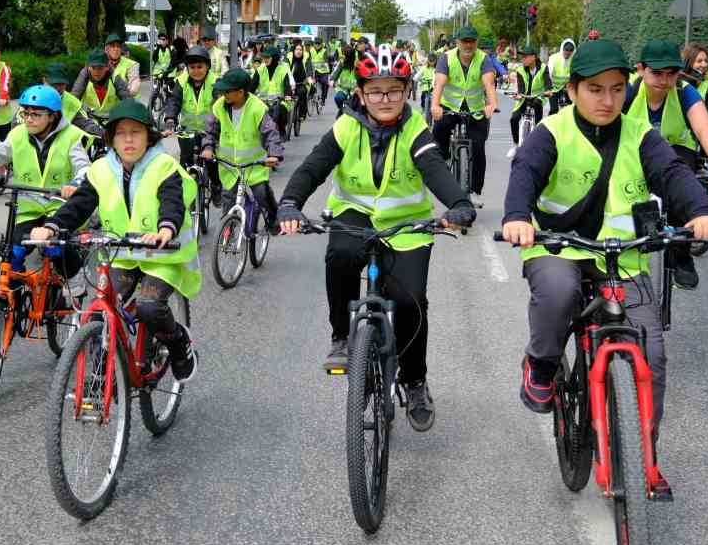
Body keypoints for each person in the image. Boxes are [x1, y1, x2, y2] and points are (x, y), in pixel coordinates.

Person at [502, 39, 708, 492]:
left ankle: (643, 457)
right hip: (557, 248)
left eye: (618, 89)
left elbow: (673, 175)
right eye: (595, 90)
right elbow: (524, 174)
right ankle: (542, 367)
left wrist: (702, 210)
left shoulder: (641, 135)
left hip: (622, 259)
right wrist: (516, 218)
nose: (608, 100)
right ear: (573, 91)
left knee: (654, 358)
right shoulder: (552, 131)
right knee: (559, 294)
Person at [278, 45, 476, 430]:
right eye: (375, 91)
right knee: (339, 256)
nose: (385, 99)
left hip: (407, 227)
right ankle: (341, 336)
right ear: (361, 93)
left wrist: (458, 203)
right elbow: (312, 168)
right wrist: (289, 203)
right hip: (355, 217)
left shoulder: (415, 128)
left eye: (394, 90)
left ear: (405, 92)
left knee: (411, 300)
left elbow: (435, 169)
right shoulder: (347, 126)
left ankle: (414, 380)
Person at [31, 100, 199, 382]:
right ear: (111, 138)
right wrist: (52, 226)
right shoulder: (101, 170)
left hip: (162, 254)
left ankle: (179, 344)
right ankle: (102, 376)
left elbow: (172, 201)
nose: (129, 139)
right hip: (121, 253)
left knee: (148, 307)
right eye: (121, 133)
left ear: (149, 136)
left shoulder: (163, 166)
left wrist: (165, 229)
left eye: (136, 132)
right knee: (99, 309)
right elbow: (80, 204)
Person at [623, 39, 708, 289]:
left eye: (671, 73)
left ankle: (681, 255)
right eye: (657, 73)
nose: (664, 80)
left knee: (680, 185)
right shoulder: (629, 91)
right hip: (635, 153)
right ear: (641, 69)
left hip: (676, 154)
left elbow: (705, 130)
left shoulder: (685, 91)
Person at [0, 84, 90, 285]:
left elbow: (85, 169)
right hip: (28, 211)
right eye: (25, 113)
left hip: (59, 209)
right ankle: (14, 306)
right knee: (12, 255)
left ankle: (75, 280)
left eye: (36, 114)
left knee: (53, 247)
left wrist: (74, 184)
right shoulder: (18, 135)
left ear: (53, 116)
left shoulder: (72, 136)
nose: (28, 118)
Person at [431, 25, 500, 206]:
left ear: (476, 42)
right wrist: (435, 105)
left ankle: (476, 190)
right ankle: (445, 156)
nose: (468, 46)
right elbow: (439, 84)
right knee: (439, 130)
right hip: (449, 106)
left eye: (471, 42)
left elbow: (488, 84)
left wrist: (492, 104)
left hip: (475, 109)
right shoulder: (446, 58)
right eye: (464, 42)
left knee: (478, 147)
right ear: (458, 42)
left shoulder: (484, 59)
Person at [203, 67, 284, 220]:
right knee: (228, 202)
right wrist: (208, 147)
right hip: (229, 167)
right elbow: (210, 131)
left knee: (262, 194)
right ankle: (225, 238)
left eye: (227, 91)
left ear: (240, 92)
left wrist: (274, 154)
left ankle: (273, 219)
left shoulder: (257, 108)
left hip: (254, 166)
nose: (223, 94)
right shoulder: (220, 106)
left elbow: (271, 133)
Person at [165, 45, 222, 203]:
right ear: (187, 68)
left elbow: (220, 104)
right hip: (187, 131)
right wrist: (170, 119)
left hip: (209, 131)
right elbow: (174, 102)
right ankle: (185, 199)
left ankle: (216, 186)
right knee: (184, 163)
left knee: (211, 162)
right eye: (192, 67)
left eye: (200, 67)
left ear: (207, 67)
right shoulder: (181, 82)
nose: (196, 70)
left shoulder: (215, 81)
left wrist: (217, 124)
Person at [506, 44, 551, 159]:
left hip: (538, 97)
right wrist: (519, 95)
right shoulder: (520, 70)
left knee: (538, 117)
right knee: (514, 118)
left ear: (534, 57)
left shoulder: (543, 68)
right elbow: (520, 87)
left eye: (525, 57)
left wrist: (548, 91)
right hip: (524, 98)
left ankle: (538, 142)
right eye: (522, 57)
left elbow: (547, 83)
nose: (523, 59)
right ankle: (516, 145)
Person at [74, 48, 130, 125]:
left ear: (107, 67)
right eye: (93, 67)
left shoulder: (115, 76)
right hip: (88, 121)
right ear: (89, 67)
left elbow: (126, 97)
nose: (97, 71)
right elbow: (74, 97)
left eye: (100, 67)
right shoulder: (83, 76)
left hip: (112, 121)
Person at [253, 43, 294, 134]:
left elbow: (287, 87)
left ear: (274, 58)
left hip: (279, 102)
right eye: (264, 57)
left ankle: (281, 129)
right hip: (262, 102)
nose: (265, 60)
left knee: (279, 111)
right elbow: (252, 86)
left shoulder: (283, 70)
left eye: (268, 57)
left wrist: (287, 95)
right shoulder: (260, 70)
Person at [103, 32, 141, 97]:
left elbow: (134, 80)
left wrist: (131, 91)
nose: (116, 49)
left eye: (118, 46)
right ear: (106, 49)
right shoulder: (100, 63)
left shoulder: (132, 64)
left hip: (127, 102)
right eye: (113, 46)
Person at [547, 37, 576, 108]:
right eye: (566, 50)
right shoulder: (554, 58)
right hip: (554, 87)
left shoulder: (575, 59)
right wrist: (548, 88)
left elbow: (577, 74)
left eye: (570, 51)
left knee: (571, 108)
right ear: (562, 49)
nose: (567, 53)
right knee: (554, 109)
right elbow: (548, 74)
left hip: (567, 87)